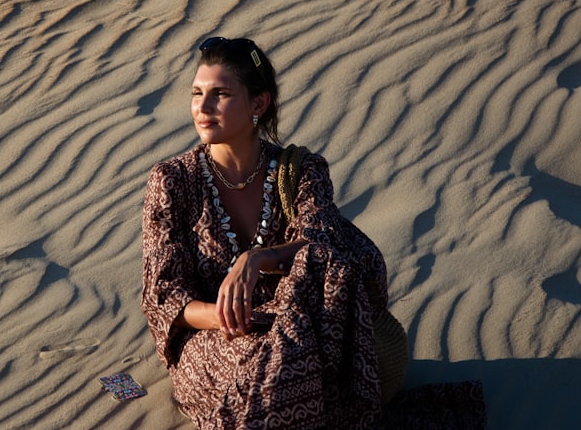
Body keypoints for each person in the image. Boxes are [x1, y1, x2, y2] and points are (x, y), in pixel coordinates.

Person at [141, 37, 485, 430]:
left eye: (220, 94)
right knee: (273, 367)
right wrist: (232, 318)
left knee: (301, 348)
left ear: (258, 104)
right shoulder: (172, 181)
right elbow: (164, 295)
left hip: (303, 323)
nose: (201, 108)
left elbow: (322, 242)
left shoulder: (300, 171)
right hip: (214, 338)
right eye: (197, 93)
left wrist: (257, 259)